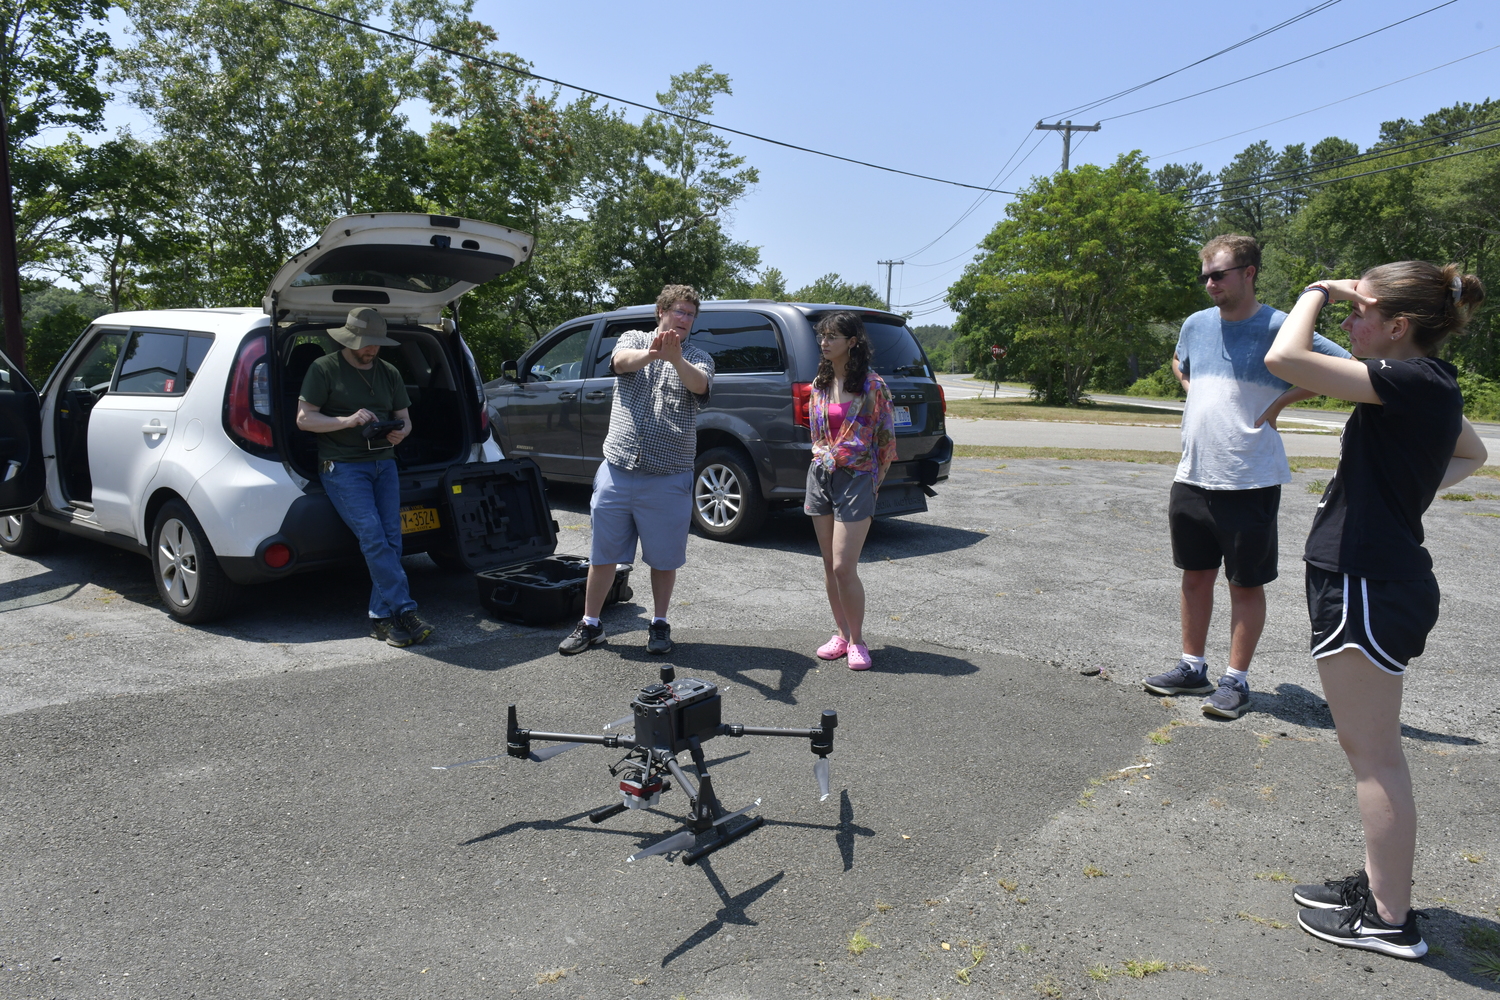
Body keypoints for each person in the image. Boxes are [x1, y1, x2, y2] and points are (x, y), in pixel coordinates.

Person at [1264, 263, 1486, 959]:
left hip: (1365, 582)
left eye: (1356, 309)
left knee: (1376, 760)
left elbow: (1282, 357)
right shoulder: (1424, 384)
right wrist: (1398, 498)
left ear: (1397, 326)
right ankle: (1377, 885)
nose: (1343, 321)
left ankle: (1390, 920)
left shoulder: (1414, 380)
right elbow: (1472, 452)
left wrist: (1313, 292)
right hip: (1370, 575)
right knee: (1372, 753)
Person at [1143, 234, 1351, 719]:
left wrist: (1281, 400)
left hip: (1249, 477)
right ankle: (1192, 668)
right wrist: (1194, 388)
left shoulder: (1280, 325)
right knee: (1195, 577)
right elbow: (1180, 361)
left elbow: (1344, 364)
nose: (1210, 283)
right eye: (1206, 276)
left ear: (1249, 272)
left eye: (1219, 274)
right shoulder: (1196, 325)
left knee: (1244, 584)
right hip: (1192, 474)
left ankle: (1235, 682)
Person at [558, 285, 714, 656]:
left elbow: (701, 384)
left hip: (668, 476)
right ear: (661, 310)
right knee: (603, 554)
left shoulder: (698, 356)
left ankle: (659, 624)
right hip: (618, 468)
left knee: (664, 559)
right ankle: (591, 625)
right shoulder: (633, 338)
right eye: (679, 311)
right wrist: (654, 353)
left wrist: (675, 359)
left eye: (691, 314)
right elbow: (620, 362)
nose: (685, 319)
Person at [296, 307, 433, 648]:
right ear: (349, 339)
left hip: (384, 464)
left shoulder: (388, 372)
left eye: (375, 346)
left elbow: (405, 418)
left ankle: (381, 618)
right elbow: (304, 419)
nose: (370, 351)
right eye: (364, 345)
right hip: (342, 466)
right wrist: (346, 421)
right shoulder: (323, 369)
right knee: (373, 537)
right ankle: (405, 609)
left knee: (391, 539)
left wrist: (401, 433)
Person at [804, 311, 896, 671]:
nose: (824, 342)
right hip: (821, 475)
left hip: (858, 478)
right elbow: (816, 433)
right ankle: (840, 634)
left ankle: (858, 641)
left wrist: (873, 481)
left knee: (844, 565)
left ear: (852, 342)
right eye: (822, 336)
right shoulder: (820, 384)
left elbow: (886, 441)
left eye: (832, 337)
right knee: (829, 564)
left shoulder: (873, 386)